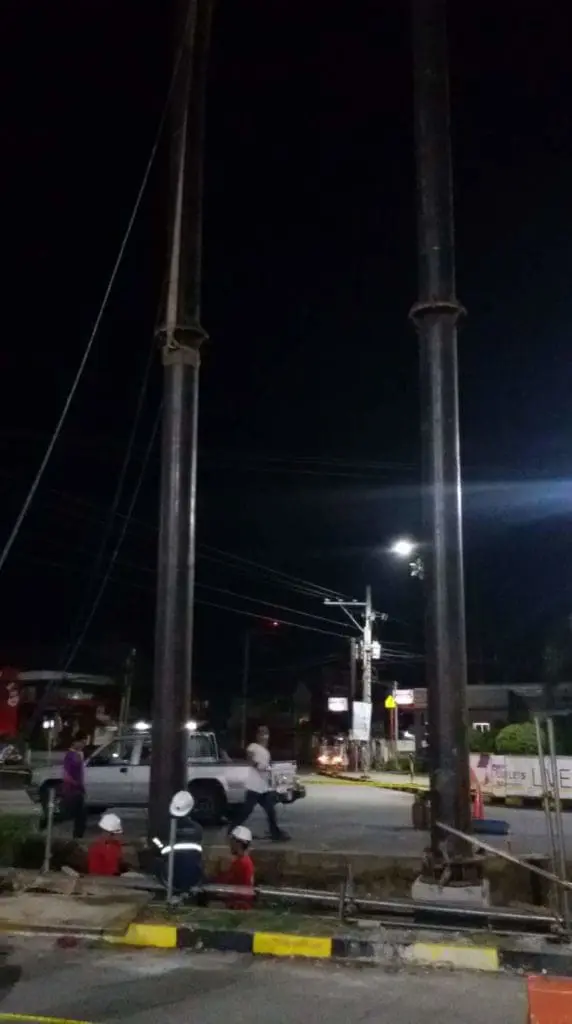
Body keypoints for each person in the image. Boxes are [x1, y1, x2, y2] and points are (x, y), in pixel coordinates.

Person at [233, 726, 289, 842]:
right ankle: (231, 830)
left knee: (270, 811)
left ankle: (275, 834)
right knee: (246, 811)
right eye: (262, 734)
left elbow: (267, 767)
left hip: (263, 787)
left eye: (266, 734)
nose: (264, 736)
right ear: (257, 735)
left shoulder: (266, 752)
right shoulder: (253, 746)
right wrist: (259, 766)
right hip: (254, 786)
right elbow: (249, 758)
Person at [150, 790, 204, 895]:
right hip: (194, 879)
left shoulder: (164, 827)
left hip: (168, 879)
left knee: (156, 862)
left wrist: (160, 847)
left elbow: (156, 846)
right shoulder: (198, 829)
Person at [215, 825, 255, 910]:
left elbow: (226, 883)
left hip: (238, 905)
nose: (230, 845)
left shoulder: (241, 863)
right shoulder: (244, 861)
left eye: (232, 841)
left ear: (238, 843)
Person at [61, 731, 87, 839]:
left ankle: (77, 837)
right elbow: (66, 774)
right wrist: (76, 784)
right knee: (78, 815)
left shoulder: (79, 754)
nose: (83, 745)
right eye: (82, 742)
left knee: (81, 816)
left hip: (78, 789)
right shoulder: (70, 756)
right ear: (75, 742)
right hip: (73, 789)